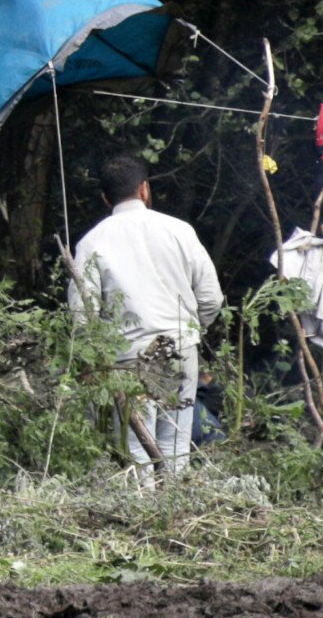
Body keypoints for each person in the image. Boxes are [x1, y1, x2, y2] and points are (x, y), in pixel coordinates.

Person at [68, 154, 223, 488]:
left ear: (106, 198)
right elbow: (211, 298)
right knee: (176, 447)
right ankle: (175, 523)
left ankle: (141, 531)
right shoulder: (179, 231)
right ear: (144, 189)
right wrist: (192, 333)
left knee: (136, 453)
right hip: (181, 349)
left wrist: (92, 362)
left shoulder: (92, 242)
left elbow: (82, 316)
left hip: (127, 359)